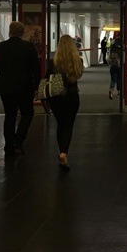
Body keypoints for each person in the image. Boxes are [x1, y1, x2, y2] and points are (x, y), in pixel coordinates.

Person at [0, 21, 40, 157]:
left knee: (9, 116)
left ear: (9, 32)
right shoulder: (29, 47)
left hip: (6, 87)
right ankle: (19, 139)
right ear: (22, 33)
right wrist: (37, 87)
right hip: (25, 87)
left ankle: (9, 145)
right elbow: (36, 69)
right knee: (27, 113)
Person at [45, 34, 84, 171]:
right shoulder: (78, 61)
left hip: (56, 97)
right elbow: (79, 75)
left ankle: (62, 150)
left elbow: (46, 78)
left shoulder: (52, 62)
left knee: (60, 124)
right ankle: (63, 152)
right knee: (68, 125)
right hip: (72, 96)